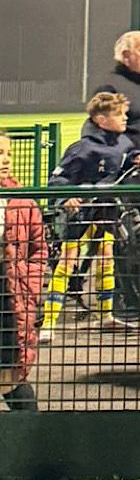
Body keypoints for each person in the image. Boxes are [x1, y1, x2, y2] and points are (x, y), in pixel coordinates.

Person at [40, 91, 140, 340]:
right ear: (100, 120)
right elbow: (57, 179)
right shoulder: (82, 148)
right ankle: (48, 323)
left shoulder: (123, 142)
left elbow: (127, 157)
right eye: (118, 114)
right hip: (82, 213)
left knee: (106, 260)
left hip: (106, 210)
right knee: (68, 262)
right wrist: (67, 197)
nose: (125, 118)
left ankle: (106, 316)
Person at [88, 30, 140, 321]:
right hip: (130, 182)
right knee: (129, 246)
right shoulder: (111, 85)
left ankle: (139, 305)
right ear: (125, 55)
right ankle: (125, 306)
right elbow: (98, 132)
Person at [1, 133, 48, 409]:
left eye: (8, 153)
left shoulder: (22, 201)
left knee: (15, 382)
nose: (6, 159)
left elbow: (38, 250)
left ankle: (33, 446)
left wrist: (29, 288)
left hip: (9, 301)